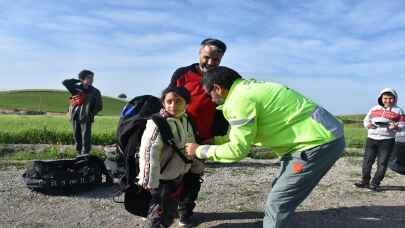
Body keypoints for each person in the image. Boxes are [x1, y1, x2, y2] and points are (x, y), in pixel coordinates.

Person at [185, 66, 345, 228]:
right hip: (317, 137)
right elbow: (239, 135)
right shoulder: (247, 90)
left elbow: (237, 151)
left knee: (279, 201)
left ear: (218, 88)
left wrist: (198, 150)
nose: (210, 100)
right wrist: (215, 141)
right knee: (280, 190)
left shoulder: (238, 100)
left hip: (316, 144)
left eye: (208, 94)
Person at [169, 38, 229, 226]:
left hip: (204, 136)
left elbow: (225, 109)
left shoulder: (222, 78)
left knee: (194, 175)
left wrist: (214, 134)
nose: (211, 63)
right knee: (172, 173)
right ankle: (166, 206)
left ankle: (185, 210)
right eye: (207, 57)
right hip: (178, 133)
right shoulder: (182, 74)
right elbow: (169, 99)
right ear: (199, 53)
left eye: (216, 60)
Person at [137, 86, 200, 228]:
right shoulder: (157, 123)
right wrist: (149, 181)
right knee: (158, 216)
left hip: (177, 177)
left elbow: (190, 145)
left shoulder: (186, 120)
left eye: (178, 101)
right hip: (160, 180)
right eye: (169, 101)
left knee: (170, 211)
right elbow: (148, 152)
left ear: (187, 103)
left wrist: (195, 166)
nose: (173, 105)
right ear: (163, 103)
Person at [354, 88, 403, 191]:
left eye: (391, 98)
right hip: (371, 138)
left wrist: (396, 127)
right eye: (385, 98)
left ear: (395, 99)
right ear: (381, 98)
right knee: (367, 161)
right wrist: (368, 125)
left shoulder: (398, 110)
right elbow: (366, 120)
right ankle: (364, 181)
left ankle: (375, 183)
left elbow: (402, 126)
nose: (388, 101)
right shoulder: (374, 108)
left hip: (387, 140)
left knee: (382, 163)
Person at [62, 70, 103, 154]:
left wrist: (91, 113)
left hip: (86, 117)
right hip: (74, 116)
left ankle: (85, 156)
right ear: (83, 78)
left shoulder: (95, 92)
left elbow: (99, 106)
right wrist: (79, 80)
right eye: (89, 78)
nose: (91, 80)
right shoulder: (76, 88)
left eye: (92, 78)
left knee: (86, 138)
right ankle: (78, 154)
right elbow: (65, 82)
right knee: (77, 137)